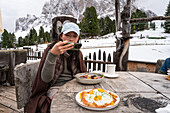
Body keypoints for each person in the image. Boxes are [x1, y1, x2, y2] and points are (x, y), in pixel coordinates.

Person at [25, 22, 87, 113]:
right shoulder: (52, 49)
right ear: (61, 36)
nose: (71, 39)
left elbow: (81, 74)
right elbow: (46, 79)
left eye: (74, 36)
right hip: (55, 87)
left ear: (78, 38)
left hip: (74, 86)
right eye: (67, 35)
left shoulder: (77, 53)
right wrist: (53, 55)